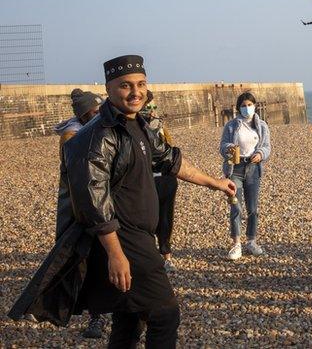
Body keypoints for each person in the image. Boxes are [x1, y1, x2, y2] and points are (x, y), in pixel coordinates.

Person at [8, 55, 236, 348]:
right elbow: (93, 201)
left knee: (130, 317)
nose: (135, 92)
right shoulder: (97, 137)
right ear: (109, 89)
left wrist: (215, 183)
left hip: (140, 236)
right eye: (125, 86)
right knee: (165, 314)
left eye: (141, 84)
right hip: (123, 239)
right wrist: (116, 255)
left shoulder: (137, 124)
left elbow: (170, 160)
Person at [52, 89, 107, 340]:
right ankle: (91, 313)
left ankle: (108, 311)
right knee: (82, 259)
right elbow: (78, 171)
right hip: (81, 206)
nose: (98, 114)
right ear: (83, 114)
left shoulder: (99, 129)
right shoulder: (71, 135)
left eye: (99, 110)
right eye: (93, 112)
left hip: (103, 203)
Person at [220, 91, 272, 261]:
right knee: (236, 206)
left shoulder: (262, 125)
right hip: (235, 168)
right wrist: (229, 149)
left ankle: (251, 240)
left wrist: (260, 154)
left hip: (253, 167)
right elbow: (223, 146)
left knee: (253, 208)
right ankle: (236, 244)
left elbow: (266, 147)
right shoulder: (232, 126)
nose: (247, 108)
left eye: (249, 105)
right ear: (238, 108)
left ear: (255, 106)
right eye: (243, 105)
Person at [140, 91, 179, 274]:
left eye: (154, 107)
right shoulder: (134, 129)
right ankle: (147, 257)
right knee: (147, 220)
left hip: (165, 179)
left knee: (165, 219)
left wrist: (159, 129)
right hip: (146, 181)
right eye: (148, 107)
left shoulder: (160, 126)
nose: (152, 111)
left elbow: (170, 150)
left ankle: (167, 256)